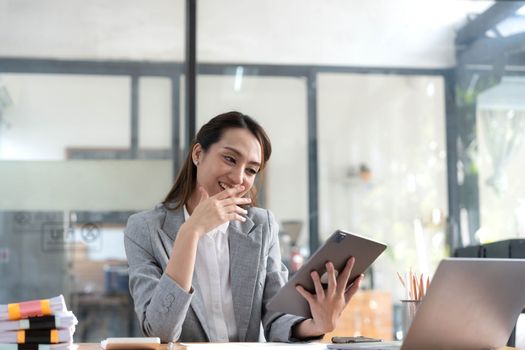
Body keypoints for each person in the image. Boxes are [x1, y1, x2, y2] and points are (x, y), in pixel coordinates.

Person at [124, 111, 363, 343]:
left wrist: (317, 324)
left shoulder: (261, 225)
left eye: (251, 170)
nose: (239, 178)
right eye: (230, 158)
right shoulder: (145, 228)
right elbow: (160, 332)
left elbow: (276, 317)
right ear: (198, 154)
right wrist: (190, 232)